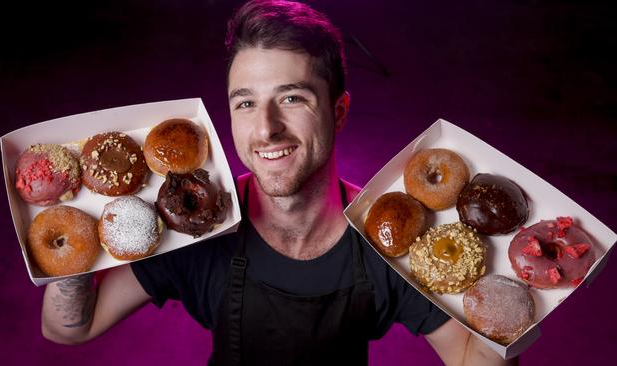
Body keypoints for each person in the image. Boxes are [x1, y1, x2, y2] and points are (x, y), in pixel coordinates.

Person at [41, 1, 516, 365]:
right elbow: (69, 330)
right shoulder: (195, 230)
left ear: (339, 112)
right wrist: (84, 224)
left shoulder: (391, 237)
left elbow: (468, 355)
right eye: (245, 103)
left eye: (291, 97)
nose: (266, 129)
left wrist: (515, 304)